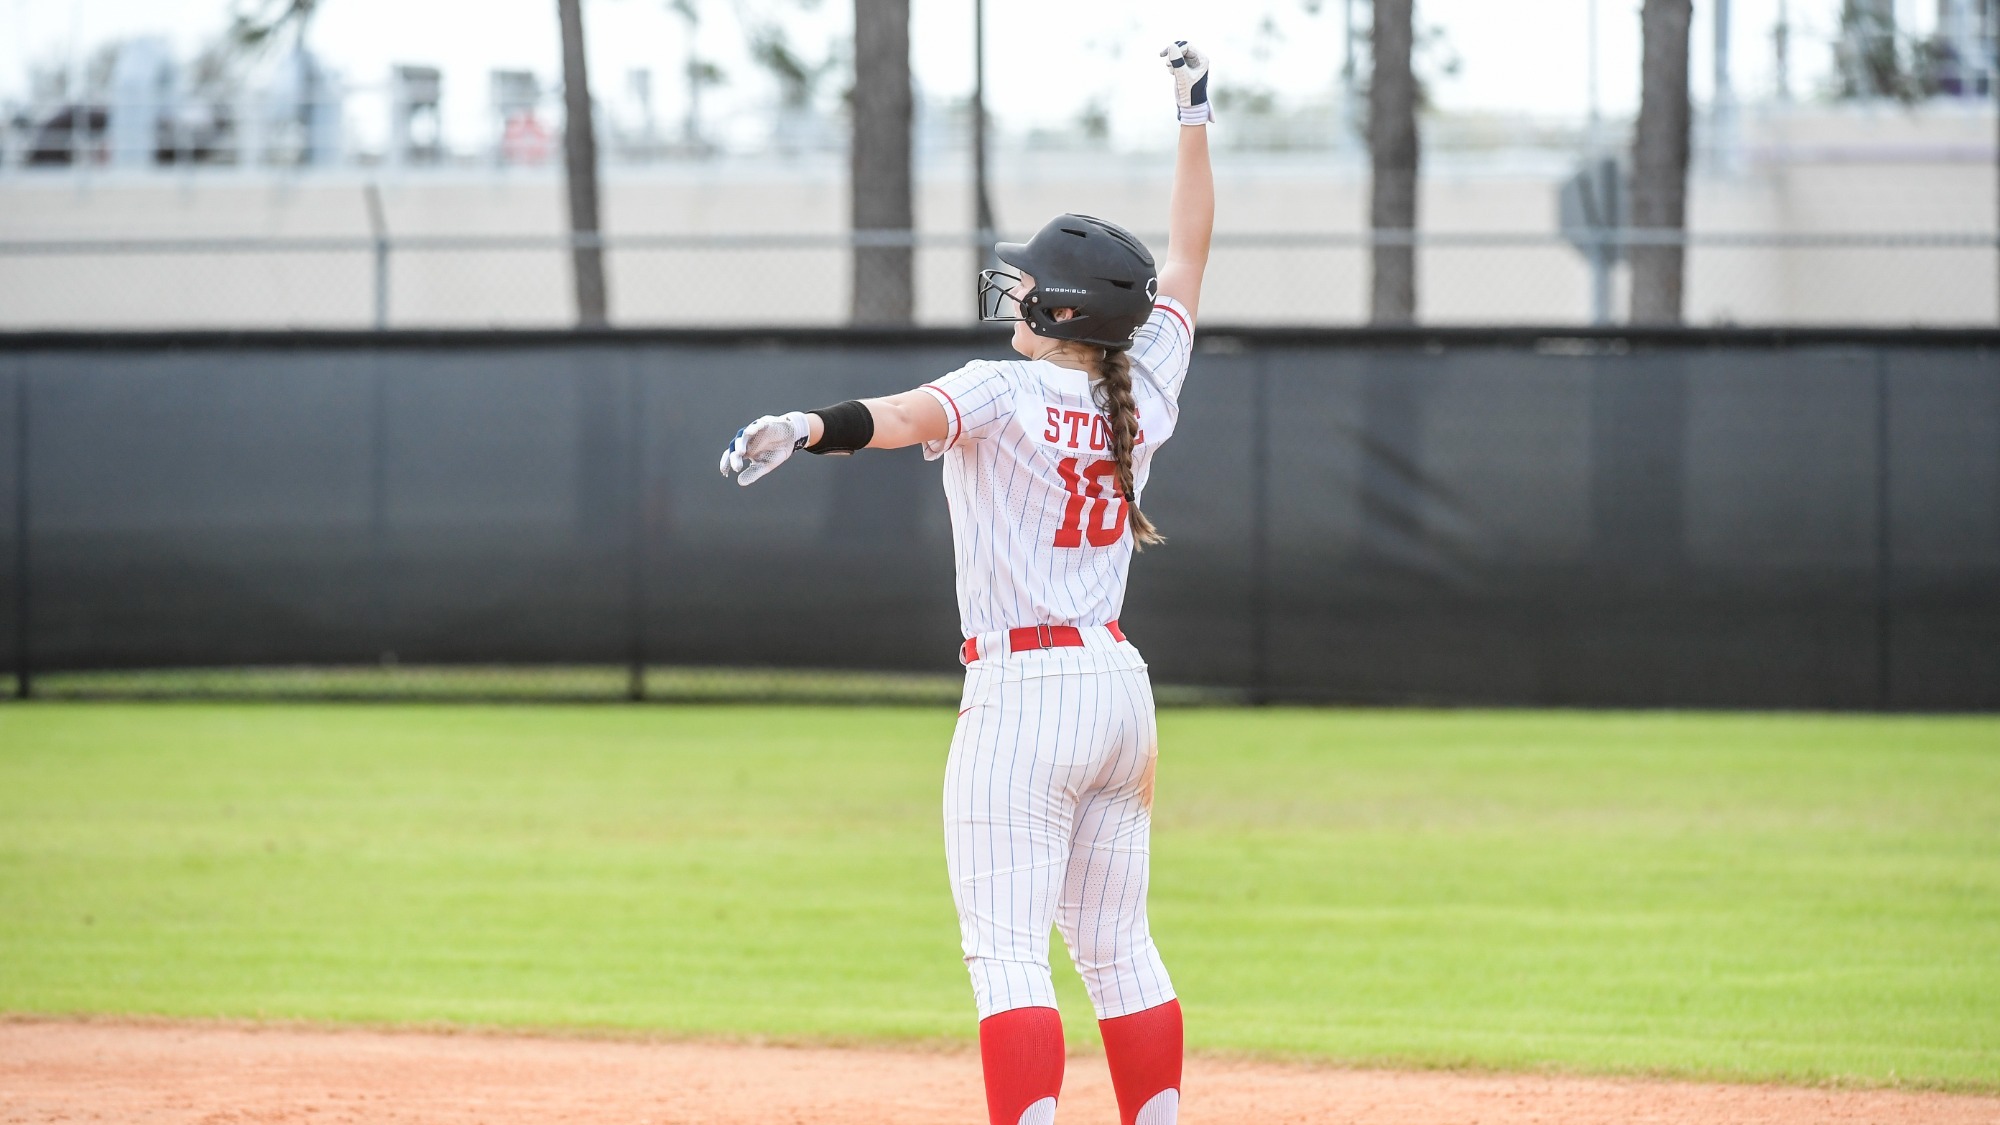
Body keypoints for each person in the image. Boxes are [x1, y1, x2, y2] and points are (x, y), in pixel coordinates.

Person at [720, 41, 1215, 1125]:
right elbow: (1187, 255)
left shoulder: (1001, 389)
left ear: (1065, 313)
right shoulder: (1146, 385)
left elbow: (899, 419)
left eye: (1031, 284)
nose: (1016, 291)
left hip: (1024, 694)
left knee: (1006, 955)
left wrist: (805, 425)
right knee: (1118, 948)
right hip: (1116, 688)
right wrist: (1195, 118)